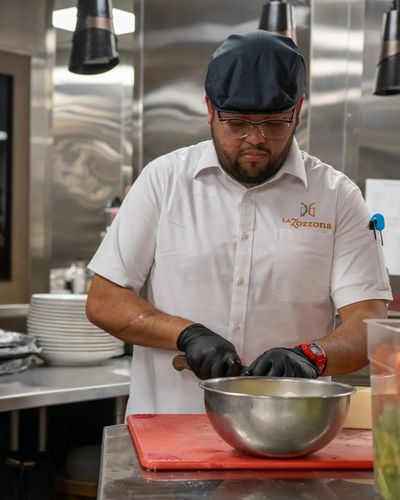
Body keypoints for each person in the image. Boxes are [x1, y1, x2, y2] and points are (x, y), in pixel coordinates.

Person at [86, 31, 392, 414]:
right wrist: (185, 334)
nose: (255, 140)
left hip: (289, 431)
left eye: (274, 124)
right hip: (168, 427)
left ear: (298, 111)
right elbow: (104, 301)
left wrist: (311, 356)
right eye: (236, 123)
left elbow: (368, 326)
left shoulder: (337, 196)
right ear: (209, 110)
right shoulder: (163, 180)